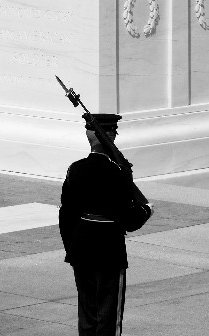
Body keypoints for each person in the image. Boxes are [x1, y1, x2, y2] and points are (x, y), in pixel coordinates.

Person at [59, 113, 153, 336]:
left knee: (87, 313)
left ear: (89, 136)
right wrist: (146, 210)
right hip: (109, 250)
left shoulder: (75, 169)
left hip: (80, 250)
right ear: (110, 136)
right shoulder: (117, 172)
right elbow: (129, 220)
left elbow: (66, 215)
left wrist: (72, 248)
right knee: (109, 316)